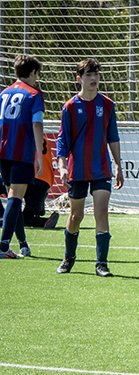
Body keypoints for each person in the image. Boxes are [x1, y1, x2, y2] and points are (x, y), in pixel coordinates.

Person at [55, 58, 123, 277]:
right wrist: (63, 167)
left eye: (96, 75)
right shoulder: (70, 107)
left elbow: (113, 137)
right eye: (88, 75)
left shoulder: (108, 105)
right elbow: (62, 140)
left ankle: (101, 264)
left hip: (101, 168)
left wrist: (119, 165)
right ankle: (68, 258)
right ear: (79, 79)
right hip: (78, 170)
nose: (93, 79)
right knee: (76, 216)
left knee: (101, 211)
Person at [0, 55, 45, 259]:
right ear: (33, 72)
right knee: (16, 196)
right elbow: (37, 124)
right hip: (21, 152)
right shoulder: (34, 94)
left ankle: (22, 243)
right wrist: (38, 155)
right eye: (38, 74)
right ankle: (2, 247)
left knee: (13, 196)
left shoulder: (4, 93)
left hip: (3, 151)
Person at [22, 139, 59, 229]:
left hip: (29, 179)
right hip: (45, 181)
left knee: (24, 218)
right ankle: (39, 211)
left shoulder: (22, 136)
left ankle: (43, 220)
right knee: (31, 212)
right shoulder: (44, 140)